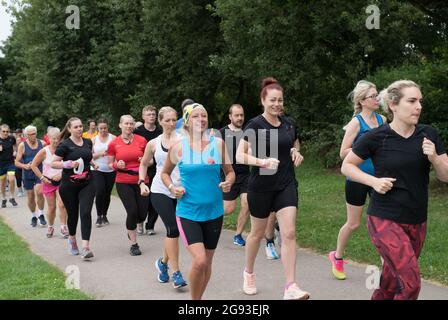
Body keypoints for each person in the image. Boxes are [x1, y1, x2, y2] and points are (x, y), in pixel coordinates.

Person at [341, 80, 448, 300]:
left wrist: (434, 158)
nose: (419, 106)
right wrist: (372, 181)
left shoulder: (429, 134)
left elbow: (445, 176)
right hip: (384, 218)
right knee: (410, 284)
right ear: (393, 105)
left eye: (420, 101)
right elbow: (347, 165)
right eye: (412, 101)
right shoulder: (377, 136)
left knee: (389, 284)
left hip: (417, 219)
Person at [236, 77, 309, 300]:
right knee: (257, 233)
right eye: (273, 100)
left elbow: (294, 142)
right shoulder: (255, 125)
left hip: (286, 183)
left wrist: (295, 152)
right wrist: (263, 162)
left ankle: (291, 286)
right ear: (263, 101)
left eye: (280, 100)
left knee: (289, 233)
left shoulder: (288, 123)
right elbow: (240, 154)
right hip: (261, 185)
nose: (277, 104)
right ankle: (248, 273)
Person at [161, 103, 235, 300]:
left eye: (204, 115)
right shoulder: (178, 148)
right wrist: (172, 188)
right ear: (187, 121)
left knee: (208, 262)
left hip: (214, 212)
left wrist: (228, 183)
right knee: (200, 261)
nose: (201, 119)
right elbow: (165, 174)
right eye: (195, 116)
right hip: (188, 212)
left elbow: (230, 172)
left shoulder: (217, 145)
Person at [329, 80, 386, 280]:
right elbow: (343, 152)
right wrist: (364, 148)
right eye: (373, 96)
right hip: (357, 179)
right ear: (362, 101)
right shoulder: (356, 123)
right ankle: (337, 257)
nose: (377, 98)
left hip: (378, 180)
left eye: (377, 94)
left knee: (381, 223)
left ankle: (387, 268)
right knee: (353, 224)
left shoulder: (383, 120)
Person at [139, 106, 187, 288]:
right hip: (160, 190)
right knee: (173, 229)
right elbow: (143, 164)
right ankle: (176, 273)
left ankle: (163, 263)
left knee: (174, 233)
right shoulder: (153, 143)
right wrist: (141, 182)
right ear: (160, 121)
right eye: (167, 120)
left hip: (181, 191)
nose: (171, 123)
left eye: (174, 120)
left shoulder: (184, 140)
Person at [52, 117, 96, 260]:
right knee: (73, 215)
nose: (79, 129)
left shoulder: (88, 142)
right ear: (70, 129)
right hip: (69, 186)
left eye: (81, 126)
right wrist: (67, 164)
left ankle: (86, 247)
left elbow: (88, 157)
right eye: (76, 127)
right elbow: (53, 163)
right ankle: (72, 239)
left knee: (85, 212)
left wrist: (93, 164)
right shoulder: (64, 145)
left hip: (87, 183)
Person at [108, 115, 149, 256]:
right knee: (132, 211)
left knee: (142, 214)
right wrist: (116, 165)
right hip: (123, 181)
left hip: (142, 181)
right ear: (120, 125)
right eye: (126, 123)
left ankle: (133, 225)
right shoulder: (114, 143)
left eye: (131, 124)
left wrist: (145, 160)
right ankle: (134, 244)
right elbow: (110, 163)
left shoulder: (142, 140)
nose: (129, 126)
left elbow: (150, 162)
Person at [219, 104, 251, 247]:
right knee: (228, 209)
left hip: (245, 175)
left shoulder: (248, 133)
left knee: (247, 203)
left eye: (241, 115)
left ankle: (238, 235)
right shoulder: (221, 133)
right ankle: (207, 219)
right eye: (236, 115)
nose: (239, 118)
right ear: (230, 117)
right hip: (228, 175)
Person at [31, 127, 69, 238]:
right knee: (52, 207)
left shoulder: (63, 150)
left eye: (58, 138)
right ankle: (50, 226)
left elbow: (69, 164)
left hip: (62, 181)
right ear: (48, 138)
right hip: (48, 182)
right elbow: (33, 165)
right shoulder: (44, 151)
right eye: (53, 139)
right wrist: (42, 178)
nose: (56, 141)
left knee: (62, 204)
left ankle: (63, 227)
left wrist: (61, 174)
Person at [134, 105, 162, 235]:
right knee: (143, 198)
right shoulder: (137, 131)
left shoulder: (160, 132)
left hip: (158, 168)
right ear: (143, 116)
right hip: (142, 167)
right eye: (148, 114)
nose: (151, 116)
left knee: (156, 197)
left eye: (153, 114)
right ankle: (140, 221)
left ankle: (150, 225)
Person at [15, 125, 46, 226]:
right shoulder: (22, 145)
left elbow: (48, 158)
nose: (33, 136)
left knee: (39, 192)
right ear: (26, 135)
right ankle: (34, 215)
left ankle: (41, 214)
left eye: (34, 133)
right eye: (30, 134)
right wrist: (25, 166)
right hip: (27, 174)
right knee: (30, 196)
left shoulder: (42, 143)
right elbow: (16, 162)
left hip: (39, 172)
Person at [92, 118, 116, 227]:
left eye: (105, 128)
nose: (103, 130)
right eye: (101, 128)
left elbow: (118, 152)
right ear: (97, 128)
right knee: (100, 191)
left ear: (108, 127)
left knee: (107, 193)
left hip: (110, 169)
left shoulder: (113, 138)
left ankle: (104, 214)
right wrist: (101, 153)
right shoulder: (93, 140)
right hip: (97, 169)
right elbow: (89, 156)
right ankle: (98, 216)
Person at [0, 124, 18, 208]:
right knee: (2, 183)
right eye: (3, 131)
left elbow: (15, 145)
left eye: (7, 131)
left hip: (10, 162)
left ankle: (11, 197)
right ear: (0, 131)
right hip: (1, 164)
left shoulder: (12, 138)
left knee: (11, 179)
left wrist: (15, 151)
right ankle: (3, 198)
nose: (5, 133)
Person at [14, 129, 25, 197]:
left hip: (23, 162)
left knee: (24, 177)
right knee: (18, 177)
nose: (19, 134)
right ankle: (20, 191)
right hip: (15, 163)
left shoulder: (23, 142)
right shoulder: (13, 142)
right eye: (17, 133)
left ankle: (25, 188)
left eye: (20, 133)